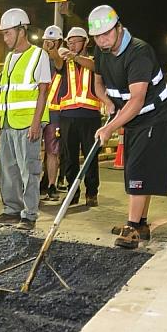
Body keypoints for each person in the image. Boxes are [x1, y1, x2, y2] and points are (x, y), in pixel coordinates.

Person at [87, 5, 167, 249]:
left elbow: (137, 100)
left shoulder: (139, 52)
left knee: (138, 169)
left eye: (106, 34)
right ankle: (141, 224)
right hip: (132, 117)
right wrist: (106, 102)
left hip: (154, 116)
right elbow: (98, 84)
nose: (102, 40)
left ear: (118, 27)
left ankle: (132, 227)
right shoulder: (101, 51)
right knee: (135, 167)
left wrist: (109, 128)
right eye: (97, 36)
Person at [0, 8, 52, 230]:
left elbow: (43, 91)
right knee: (8, 169)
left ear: (21, 31)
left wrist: (36, 122)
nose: (5, 37)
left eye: (7, 33)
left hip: (28, 124)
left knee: (29, 170)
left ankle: (29, 215)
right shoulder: (9, 57)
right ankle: (11, 210)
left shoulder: (39, 55)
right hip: (8, 122)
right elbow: (4, 89)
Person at [58, 26, 103, 206]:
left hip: (90, 116)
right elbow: (55, 60)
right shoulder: (64, 63)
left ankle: (91, 192)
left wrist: (74, 56)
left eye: (76, 41)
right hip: (67, 115)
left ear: (86, 42)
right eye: (69, 41)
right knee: (69, 156)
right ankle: (72, 191)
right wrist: (58, 50)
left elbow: (96, 67)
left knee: (90, 155)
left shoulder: (94, 60)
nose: (72, 44)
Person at [41, 24, 65, 200]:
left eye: (52, 41)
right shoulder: (36, 58)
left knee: (52, 151)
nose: (48, 43)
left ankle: (51, 185)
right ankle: (35, 185)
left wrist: (52, 50)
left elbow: (59, 63)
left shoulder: (61, 56)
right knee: (33, 151)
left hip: (54, 112)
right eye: (46, 41)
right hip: (36, 111)